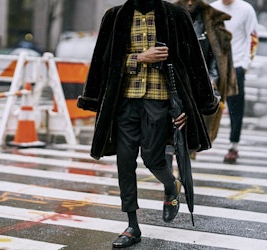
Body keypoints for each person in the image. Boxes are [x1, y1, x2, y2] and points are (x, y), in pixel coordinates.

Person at [77, 0, 219, 248]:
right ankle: (132, 225)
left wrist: (193, 106)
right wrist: (140, 57)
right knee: (124, 160)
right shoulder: (115, 16)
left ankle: (171, 185)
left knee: (153, 158)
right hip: (124, 102)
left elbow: (194, 62)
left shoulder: (176, 15)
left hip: (160, 101)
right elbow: (103, 60)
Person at [166, 0, 238, 163]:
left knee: (197, 118)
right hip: (174, 76)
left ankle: (190, 149)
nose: (190, 3)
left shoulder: (211, 20)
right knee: (171, 119)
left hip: (200, 79)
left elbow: (217, 55)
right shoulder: (170, 16)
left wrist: (212, 78)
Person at [210, 0, 258, 164]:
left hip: (236, 65)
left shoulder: (246, 9)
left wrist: (244, 65)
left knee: (236, 109)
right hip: (214, 65)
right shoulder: (213, 8)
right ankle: (196, 144)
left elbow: (253, 38)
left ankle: (233, 146)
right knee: (205, 104)